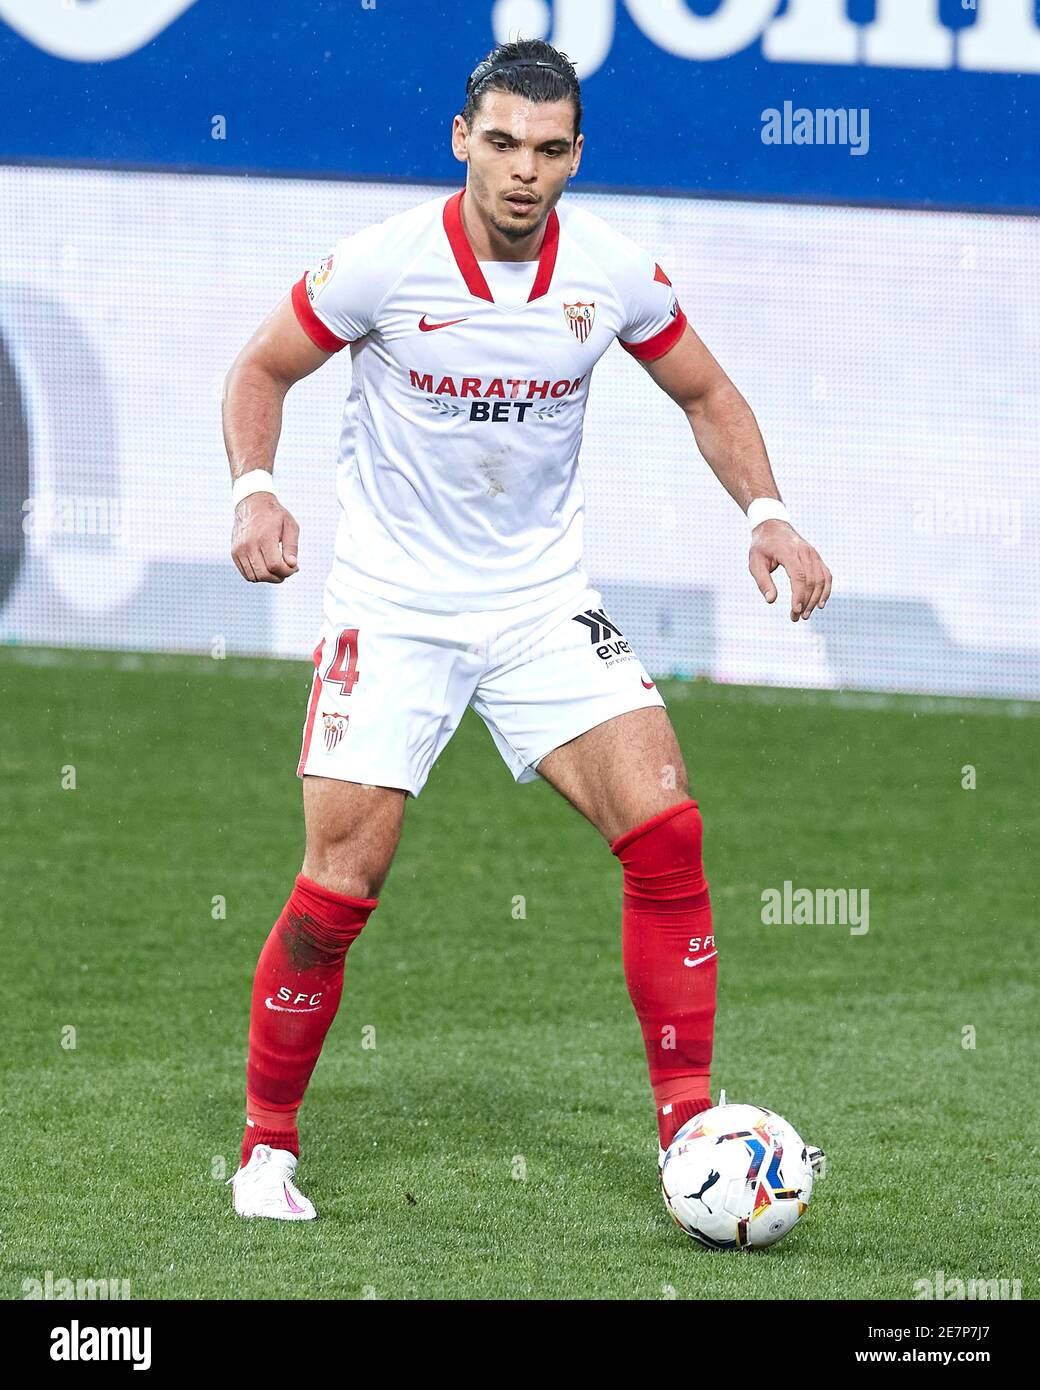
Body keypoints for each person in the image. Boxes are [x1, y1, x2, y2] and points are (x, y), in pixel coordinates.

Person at [221, 38, 831, 1220]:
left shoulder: (609, 271)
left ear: (574, 158)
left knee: (666, 830)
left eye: (548, 150)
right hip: (391, 613)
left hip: (542, 603)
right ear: (461, 139)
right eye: (500, 143)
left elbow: (704, 392)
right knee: (342, 880)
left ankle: (686, 1132)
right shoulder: (381, 265)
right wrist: (252, 488)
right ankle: (267, 1147)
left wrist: (766, 513)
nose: (521, 171)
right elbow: (261, 368)